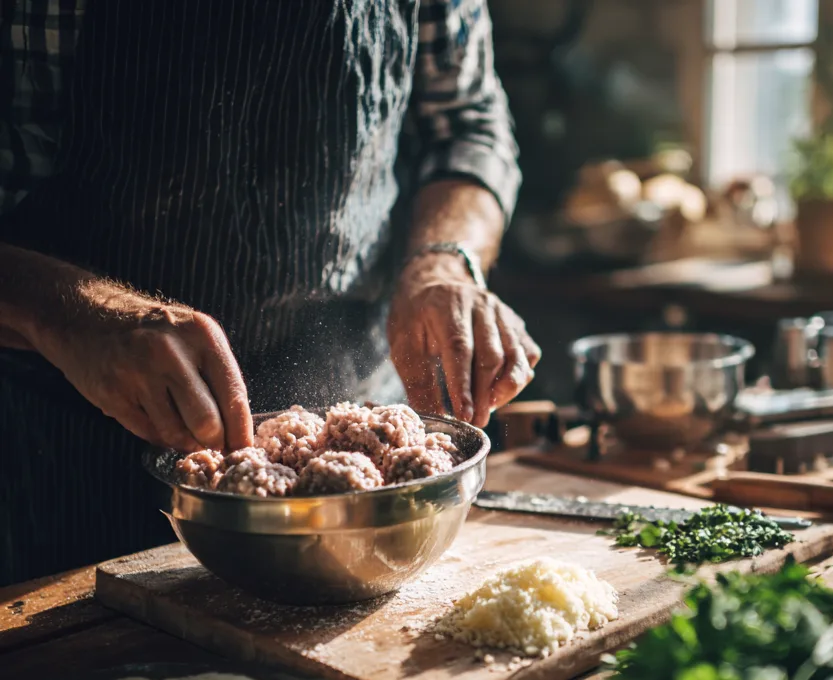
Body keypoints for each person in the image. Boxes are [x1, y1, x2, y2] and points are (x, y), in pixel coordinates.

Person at [0, 0, 538, 586]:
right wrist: (72, 309)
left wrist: (442, 261)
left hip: (363, 426)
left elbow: (466, 124)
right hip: (68, 452)